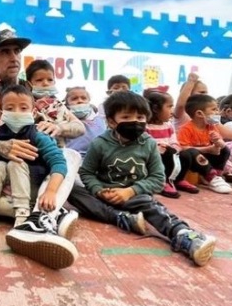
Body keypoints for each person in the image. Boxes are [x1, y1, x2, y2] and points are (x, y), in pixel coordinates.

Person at [0, 29, 79, 269]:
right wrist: (0, 146)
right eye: (5, 51)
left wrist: (57, 126)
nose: (14, 57)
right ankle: (45, 216)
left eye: (17, 51)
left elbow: (77, 126)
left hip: (38, 169)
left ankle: (39, 215)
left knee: (69, 156)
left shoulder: (34, 90)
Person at [70, 91, 217, 267]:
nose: (135, 122)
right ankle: (121, 218)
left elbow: (157, 178)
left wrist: (130, 191)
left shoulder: (148, 143)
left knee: (153, 207)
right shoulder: (99, 143)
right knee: (72, 188)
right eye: (126, 116)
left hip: (135, 197)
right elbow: (86, 173)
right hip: (103, 196)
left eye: (140, 117)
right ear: (111, 121)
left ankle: (184, 236)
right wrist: (99, 190)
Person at [0, 85, 68, 241]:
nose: (17, 112)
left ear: (33, 112)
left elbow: (59, 163)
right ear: (2, 112)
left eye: (23, 107)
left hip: (32, 187)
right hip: (10, 187)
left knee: (14, 163)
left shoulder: (38, 136)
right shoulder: (2, 133)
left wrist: (51, 191)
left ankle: (23, 218)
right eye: (10, 108)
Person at [144, 90, 203, 198]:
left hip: (170, 152)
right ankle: (163, 182)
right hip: (156, 156)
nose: (172, 111)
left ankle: (179, 180)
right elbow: (146, 144)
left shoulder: (169, 125)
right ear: (156, 109)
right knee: (167, 154)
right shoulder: (146, 127)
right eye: (169, 106)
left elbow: (174, 141)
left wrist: (175, 148)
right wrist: (160, 148)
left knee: (187, 154)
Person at [177, 94, 232, 194]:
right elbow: (184, 149)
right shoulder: (186, 129)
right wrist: (208, 149)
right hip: (193, 160)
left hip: (207, 158)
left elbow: (220, 145)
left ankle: (216, 175)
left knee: (225, 149)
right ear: (199, 113)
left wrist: (218, 144)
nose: (217, 112)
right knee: (192, 152)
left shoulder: (211, 127)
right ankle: (211, 177)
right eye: (214, 109)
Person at [25, 59, 84, 146]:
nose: (45, 83)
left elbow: (80, 128)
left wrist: (59, 128)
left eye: (50, 80)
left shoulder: (57, 104)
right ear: (28, 84)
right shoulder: (24, 104)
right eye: (39, 80)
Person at [65, 86, 106, 159]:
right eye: (74, 98)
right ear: (67, 103)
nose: (80, 101)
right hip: (72, 161)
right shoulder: (62, 122)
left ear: (89, 101)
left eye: (83, 98)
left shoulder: (101, 121)